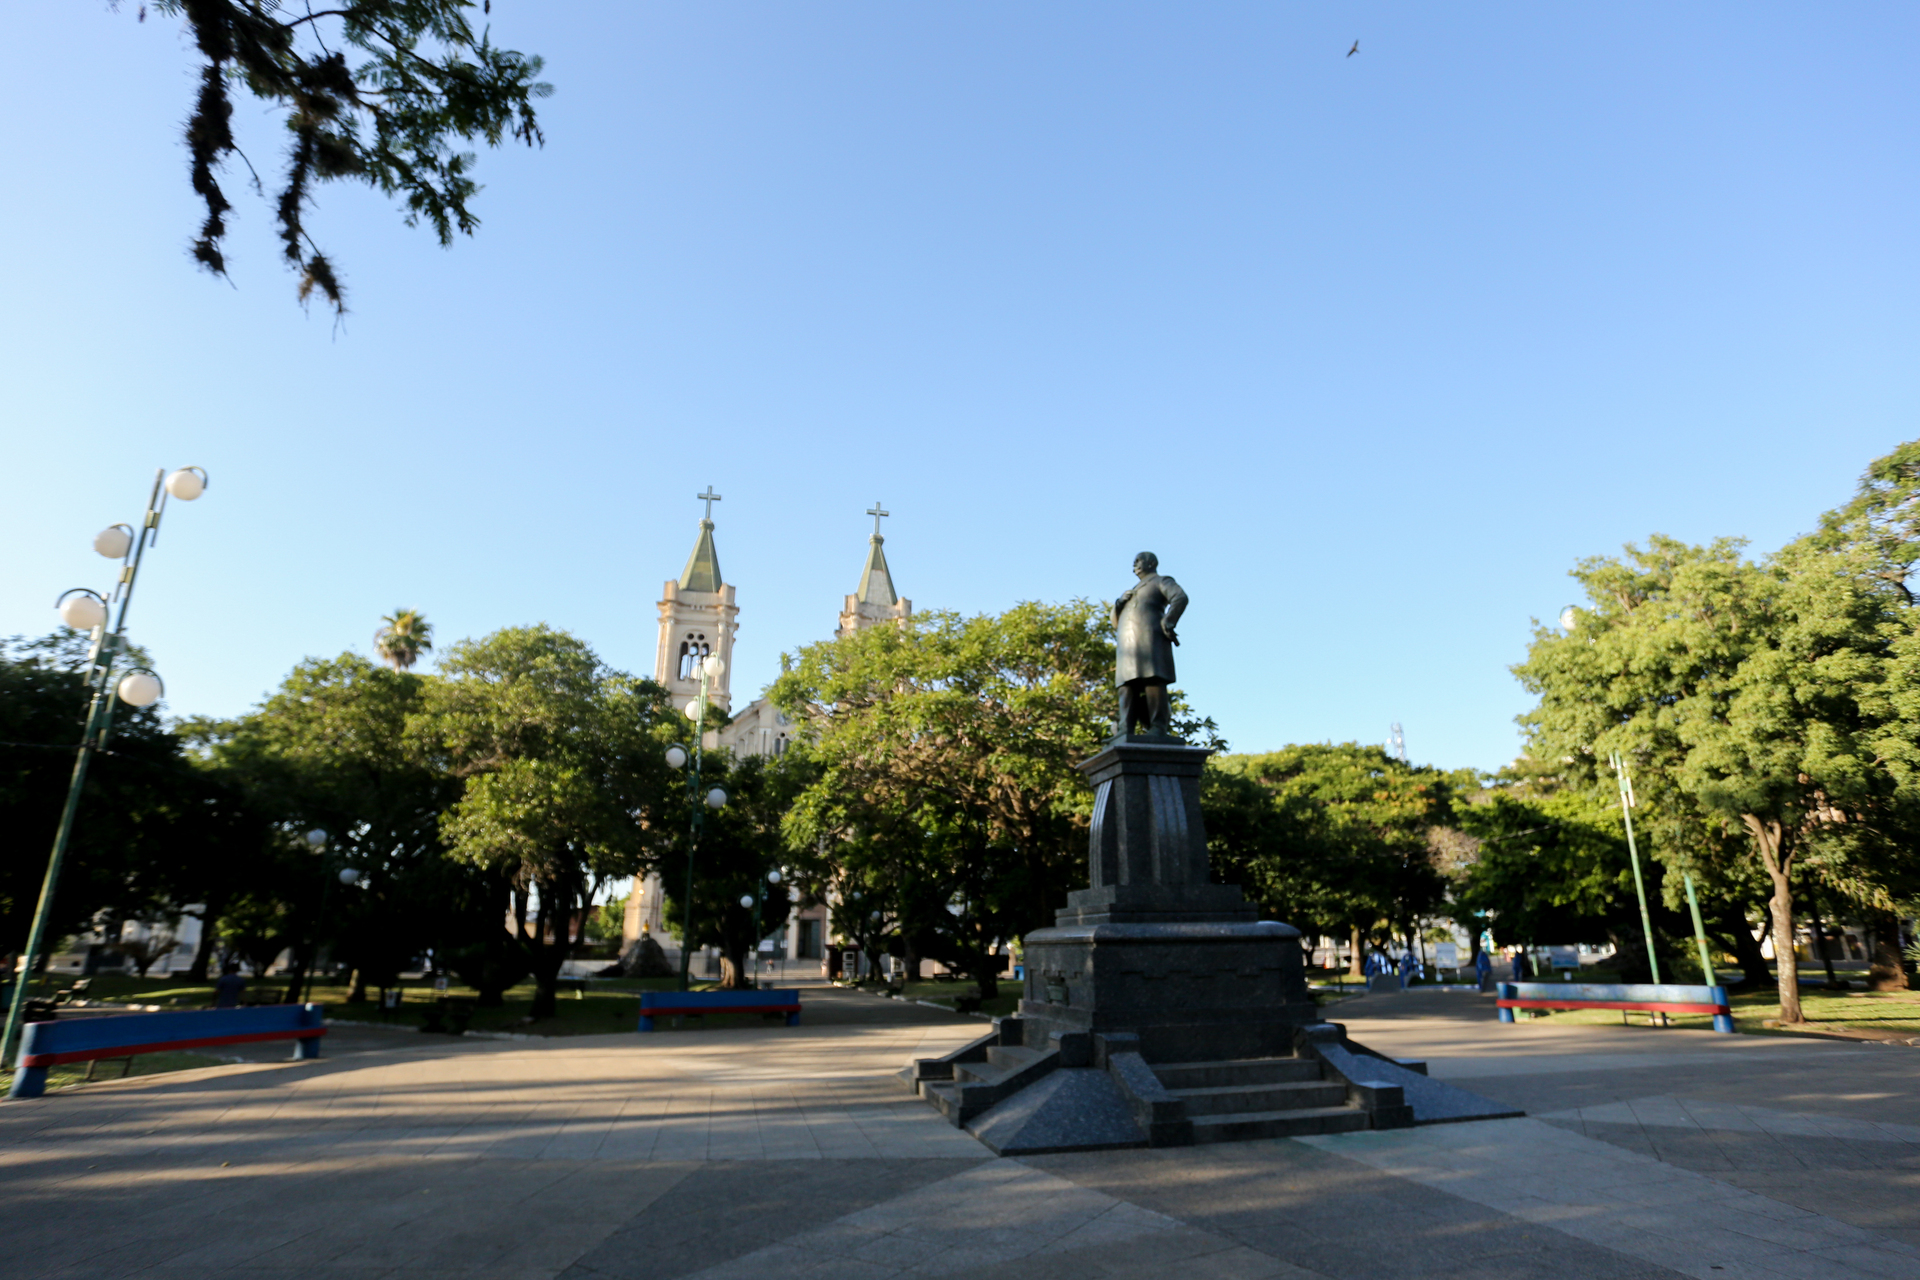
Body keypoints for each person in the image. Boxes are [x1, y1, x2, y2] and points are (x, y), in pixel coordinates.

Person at [1112, 552, 1189, 738]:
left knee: (1152, 680)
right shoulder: (1130, 591)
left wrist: (1169, 620)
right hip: (1128, 646)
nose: (1134, 565)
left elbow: (1180, 597)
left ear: (1151, 563)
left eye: (1138, 561)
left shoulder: (1161, 581)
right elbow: (1115, 622)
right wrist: (1119, 602)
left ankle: (1158, 727)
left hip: (1149, 640)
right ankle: (1125, 729)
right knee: (1126, 685)